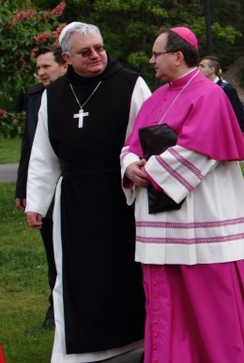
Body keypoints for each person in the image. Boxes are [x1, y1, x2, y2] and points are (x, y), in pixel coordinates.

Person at [121, 27, 244, 361]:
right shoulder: (155, 97)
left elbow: (199, 151)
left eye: (156, 54)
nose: (151, 60)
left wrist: (151, 172)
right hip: (158, 216)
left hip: (201, 215)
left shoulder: (209, 95)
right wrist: (130, 167)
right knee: (165, 297)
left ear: (178, 55)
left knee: (210, 298)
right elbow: (130, 145)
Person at [25, 22, 150, 362]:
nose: (96, 55)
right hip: (74, 199)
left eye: (99, 47)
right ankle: (79, 350)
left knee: (124, 269)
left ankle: (136, 337)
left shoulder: (131, 83)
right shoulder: (54, 94)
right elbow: (43, 154)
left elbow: (149, 136)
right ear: (66, 58)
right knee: (76, 275)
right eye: (85, 52)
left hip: (121, 193)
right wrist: (36, 202)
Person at [15, 44, 68, 330]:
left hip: (72, 181)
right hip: (44, 183)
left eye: (46, 67)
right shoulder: (35, 96)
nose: (41, 73)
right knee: (50, 248)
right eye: (38, 68)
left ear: (64, 65)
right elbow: (29, 145)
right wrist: (23, 188)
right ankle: (54, 310)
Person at [198, 55, 244, 148]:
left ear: (212, 70)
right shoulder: (200, 88)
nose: (198, 68)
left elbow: (236, 114)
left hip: (223, 135)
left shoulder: (227, 89)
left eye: (202, 66)